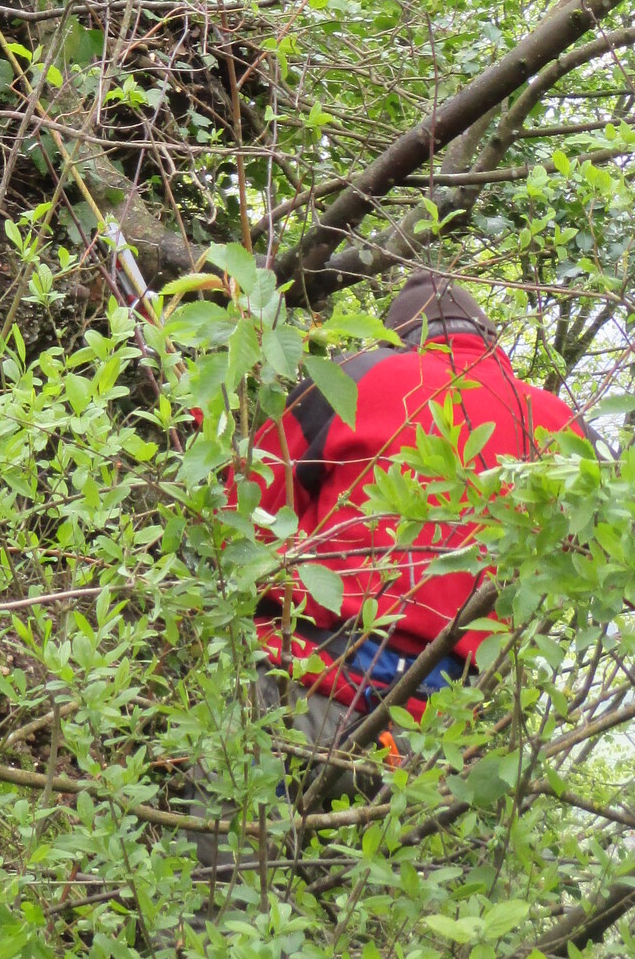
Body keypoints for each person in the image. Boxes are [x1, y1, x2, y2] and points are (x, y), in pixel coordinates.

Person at [244, 269, 587, 755]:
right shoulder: (560, 423)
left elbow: (248, 506)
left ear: (398, 340)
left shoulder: (356, 376)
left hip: (307, 684)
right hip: (436, 733)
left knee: (224, 800)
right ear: (491, 341)